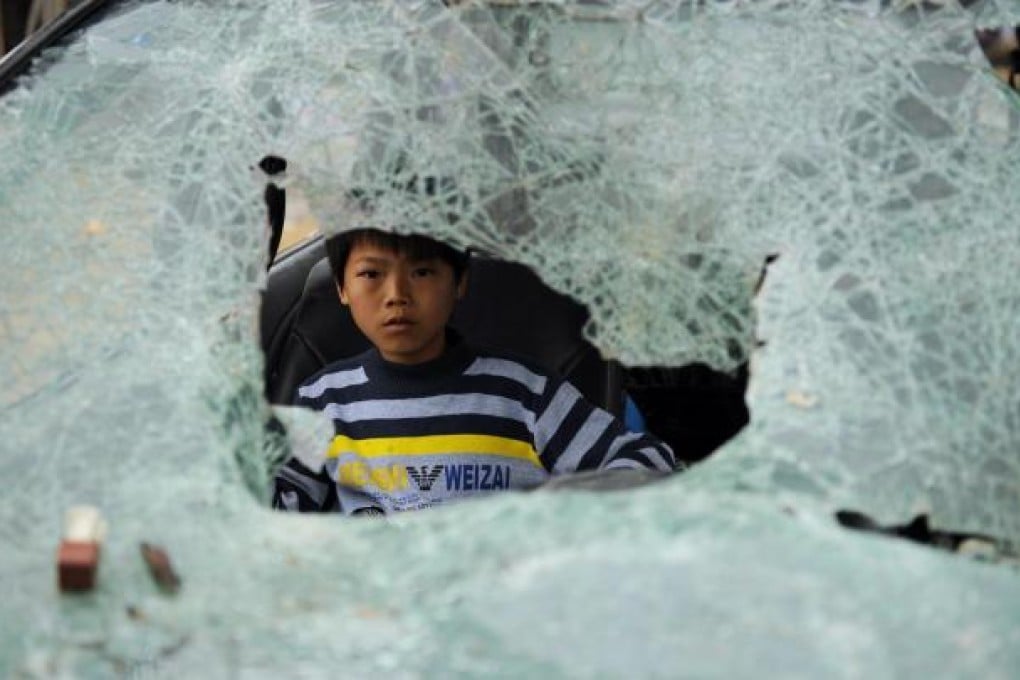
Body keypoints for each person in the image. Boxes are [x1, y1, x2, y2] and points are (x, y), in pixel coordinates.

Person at [272, 227, 678, 515]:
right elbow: (276, 511)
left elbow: (645, 460)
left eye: (422, 272)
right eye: (371, 274)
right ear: (342, 288)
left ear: (460, 282)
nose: (397, 295)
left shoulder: (523, 393)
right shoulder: (324, 401)